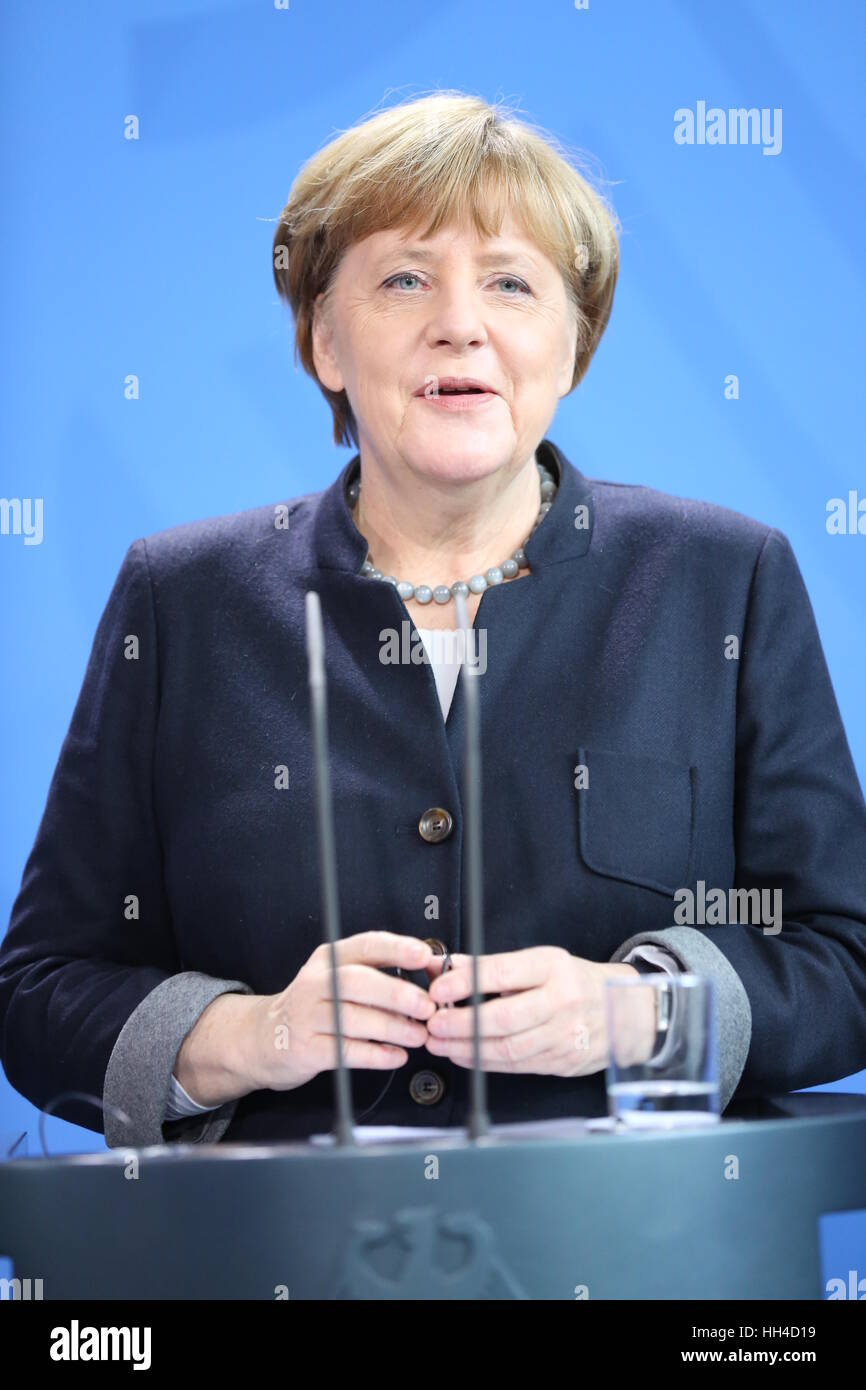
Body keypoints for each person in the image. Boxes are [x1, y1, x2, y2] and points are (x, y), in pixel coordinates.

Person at [1, 93, 865, 1149]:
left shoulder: (725, 580)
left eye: (510, 283)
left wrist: (637, 1012)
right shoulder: (177, 600)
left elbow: (843, 960)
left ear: (571, 345)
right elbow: (41, 993)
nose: (458, 321)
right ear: (323, 338)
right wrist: (250, 1033)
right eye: (403, 278)